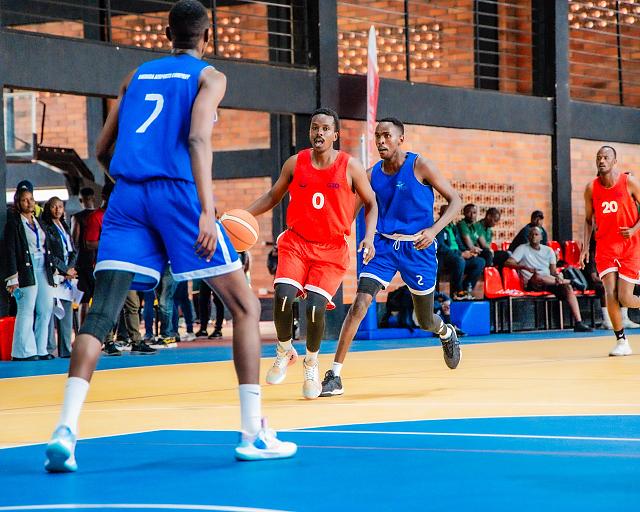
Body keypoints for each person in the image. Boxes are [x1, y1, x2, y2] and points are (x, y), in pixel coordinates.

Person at [44, 0, 296, 473]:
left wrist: (129, 185)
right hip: (177, 194)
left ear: (166, 34)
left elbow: (102, 149)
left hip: (128, 195)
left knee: (100, 314)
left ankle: (65, 430)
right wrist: (205, 209)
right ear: (207, 36)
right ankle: (252, 433)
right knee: (244, 307)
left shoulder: (135, 76)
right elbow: (198, 139)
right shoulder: (210, 77)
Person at [320, 117, 462, 398]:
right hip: (383, 246)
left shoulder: (420, 165)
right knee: (360, 304)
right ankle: (334, 375)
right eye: (377, 136)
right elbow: (350, 211)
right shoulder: (371, 174)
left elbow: (455, 200)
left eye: (386, 135)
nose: (381, 141)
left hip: (418, 247)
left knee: (424, 320)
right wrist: (335, 236)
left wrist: (433, 231)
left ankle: (446, 332)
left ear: (401, 139)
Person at [246, 107, 378, 399]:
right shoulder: (296, 163)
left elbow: (371, 202)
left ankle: (311, 363)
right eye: (315, 128)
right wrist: (243, 215)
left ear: (335, 135)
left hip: (331, 248)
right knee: (283, 297)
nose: (319, 133)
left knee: (315, 308)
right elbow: (273, 196)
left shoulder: (350, 166)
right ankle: (284, 350)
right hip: (297, 242)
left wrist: (369, 237)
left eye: (325, 129)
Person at [580, 146, 640, 356]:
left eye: (606, 157)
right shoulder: (591, 188)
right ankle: (621, 340)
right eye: (599, 157)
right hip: (605, 247)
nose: (602, 160)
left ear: (615, 161)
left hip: (629, 247)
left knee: (625, 297)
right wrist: (585, 247)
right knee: (610, 293)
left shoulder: (629, 182)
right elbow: (588, 220)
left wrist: (634, 229)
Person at [4, 185, 56, 360]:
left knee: (46, 308)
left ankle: (41, 349)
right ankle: (23, 351)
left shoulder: (40, 222)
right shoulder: (14, 224)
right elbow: (10, 251)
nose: (29, 203)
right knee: (26, 309)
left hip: (43, 268)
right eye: (24, 200)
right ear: (18, 203)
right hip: (26, 268)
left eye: (31, 199)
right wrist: (12, 277)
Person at [505, 227, 592, 332]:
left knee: (567, 288)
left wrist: (558, 276)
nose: (533, 237)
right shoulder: (522, 248)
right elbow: (508, 262)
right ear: (528, 237)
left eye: (536, 234)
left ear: (541, 237)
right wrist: (524, 267)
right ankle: (572, 281)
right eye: (531, 234)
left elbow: (553, 271)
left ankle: (578, 322)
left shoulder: (548, 250)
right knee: (538, 275)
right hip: (532, 283)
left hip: (549, 281)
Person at [42, 196, 78, 358]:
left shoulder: (65, 225)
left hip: (67, 276)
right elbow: (49, 254)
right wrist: (64, 269)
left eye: (60, 206)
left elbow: (73, 250)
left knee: (67, 311)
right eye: (53, 206)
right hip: (53, 274)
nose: (57, 209)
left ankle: (66, 349)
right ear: (48, 208)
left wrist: (71, 268)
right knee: (50, 312)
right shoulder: (45, 227)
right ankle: (49, 348)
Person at [436, 204, 485, 300]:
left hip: (457, 255)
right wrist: (460, 254)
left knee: (480, 262)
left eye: (450, 213)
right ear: (440, 214)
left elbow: (460, 244)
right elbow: (441, 247)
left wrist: (468, 252)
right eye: (445, 213)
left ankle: (466, 289)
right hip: (446, 257)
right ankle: (457, 292)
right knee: (460, 260)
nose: (448, 216)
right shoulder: (438, 227)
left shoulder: (453, 227)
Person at [71, 187, 96, 324]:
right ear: (93, 198)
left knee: (84, 300)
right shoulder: (101, 215)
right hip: (98, 262)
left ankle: (82, 331)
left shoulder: (77, 217)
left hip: (83, 262)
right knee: (99, 301)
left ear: (81, 200)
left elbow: (74, 242)